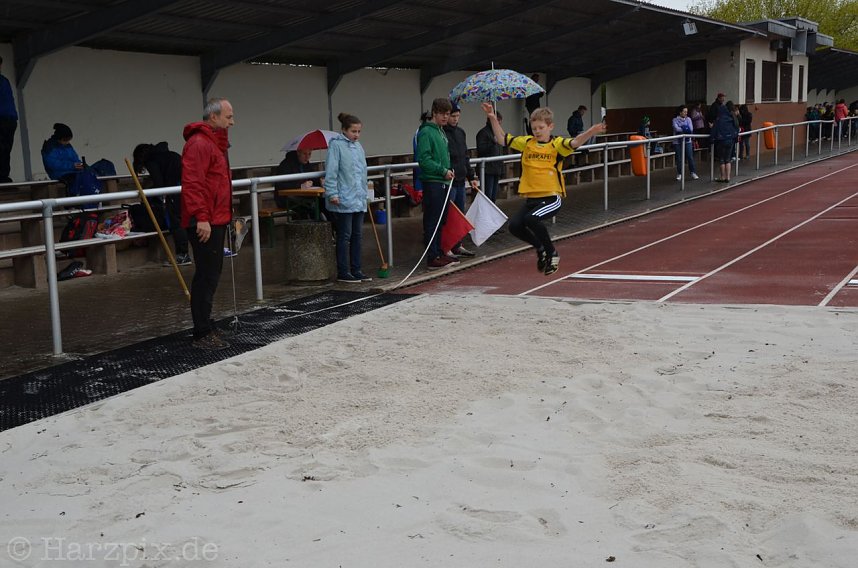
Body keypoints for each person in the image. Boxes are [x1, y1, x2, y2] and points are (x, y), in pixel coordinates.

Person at [481, 101, 606, 275]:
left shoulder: (557, 144)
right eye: (534, 128)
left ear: (550, 127)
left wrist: (591, 131)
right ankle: (540, 248)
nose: (537, 131)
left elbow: (576, 142)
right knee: (514, 226)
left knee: (531, 219)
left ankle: (552, 253)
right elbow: (502, 139)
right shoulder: (527, 142)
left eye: (541, 128)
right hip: (532, 199)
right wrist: (492, 117)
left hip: (551, 198)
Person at [181, 97, 235, 350]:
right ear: (213, 117)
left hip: (215, 217)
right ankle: (201, 331)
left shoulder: (214, 143)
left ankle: (206, 323)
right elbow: (193, 182)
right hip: (206, 219)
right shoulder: (199, 143)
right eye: (228, 117)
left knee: (212, 274)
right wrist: (201, 217)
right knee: (206, 275)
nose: (232, 122)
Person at [324, 112, 370, 283]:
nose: (356, 135)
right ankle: (343, 271)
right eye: (353, 131)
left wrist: (365, 193)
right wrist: (332, 193)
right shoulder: (336, 146)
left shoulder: (358, 147)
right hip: (344, 197)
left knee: (358, 235)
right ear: (344, 130)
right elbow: (332, 171)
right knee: (344, 235)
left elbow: (362, 173)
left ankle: (356, 269)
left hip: (358, 197)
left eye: (359, 131)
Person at [132, 142, 191, 265]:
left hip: (176, 191)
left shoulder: (152, 160)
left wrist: (147, 193)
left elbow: (159, 184)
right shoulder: (171, 155)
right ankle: (187, 254)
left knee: (177, 223)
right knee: (185, 221)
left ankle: (183, 255)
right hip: (187, 188)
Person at [416, 98, 456, 270]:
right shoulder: (426, 132)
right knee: (433, 219)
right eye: (442, 114)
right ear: (434, 113)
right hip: (433, 181)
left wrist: (449, 169)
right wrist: (442, 170)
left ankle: (438, 252)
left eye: (448, 114)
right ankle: (432, 256)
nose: (445, 117)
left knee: (441, 219)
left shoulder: (441, 131)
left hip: (443, 180)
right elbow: (424, 159)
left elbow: (443, 155)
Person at [443, 104, 478, 258]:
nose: (455, 119)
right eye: (453, 116)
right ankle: (447, 246)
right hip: (450, 180)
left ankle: (458, 244)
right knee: (448, 215)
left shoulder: (461, 132)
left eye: (457, 116)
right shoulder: (442, 133)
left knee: (460, 214)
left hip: (461, 180)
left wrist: (471, 176)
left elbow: (465, 156)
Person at [274, 148, 323, 219]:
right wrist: (300, 186)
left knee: (322, 202)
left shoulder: (307, 164)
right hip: (286, 198)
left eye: (309, 154)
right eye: (304, 154)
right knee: (310, 205)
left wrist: (320, 181)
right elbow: (281, 185)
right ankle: (316, 224)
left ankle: (330, 223)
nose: (307, 157)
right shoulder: (286, 165)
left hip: (303, 196)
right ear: (298, 153)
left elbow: (313, 179)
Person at [476, 110, 504, 203]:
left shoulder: (498, 134)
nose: (499, 123)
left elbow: (500, 152)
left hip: (496, 168)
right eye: (497, 120)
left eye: (500, 121)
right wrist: (493, 143)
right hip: (487, 169)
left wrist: (502, 169)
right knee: (488, 196)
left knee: (493, 196)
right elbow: (481, 150)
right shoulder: (483, 133)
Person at [710, 100, 738, 183]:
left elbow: (714, 131)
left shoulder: (718, 119)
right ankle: (728, 177)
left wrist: (711, 140)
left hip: (721, 140)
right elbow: (736, 128)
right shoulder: (731, 118)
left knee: (722, 160)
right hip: (730, 140)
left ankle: (722, 177)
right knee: (728, 159)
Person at [0, 56, 17, 183]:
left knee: (3, 150)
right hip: (10, 119)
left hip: (4, 119)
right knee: (5, 150)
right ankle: (4, 177)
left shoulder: (3, 81)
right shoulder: (4, 80)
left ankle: (3, 177)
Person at [671, 105, 699, 181]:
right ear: (680, 112)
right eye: (684, 111)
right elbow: (676, 129)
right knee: (679, 158)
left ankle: (693, 172)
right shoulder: (675, 120)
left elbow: (691, 129)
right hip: (677, 141)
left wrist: (682, 128)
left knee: (690, 156)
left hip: (688, 141)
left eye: (686, 112)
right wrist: (685, 128)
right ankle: (679, 173)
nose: (686, 113)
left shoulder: (689, 119)